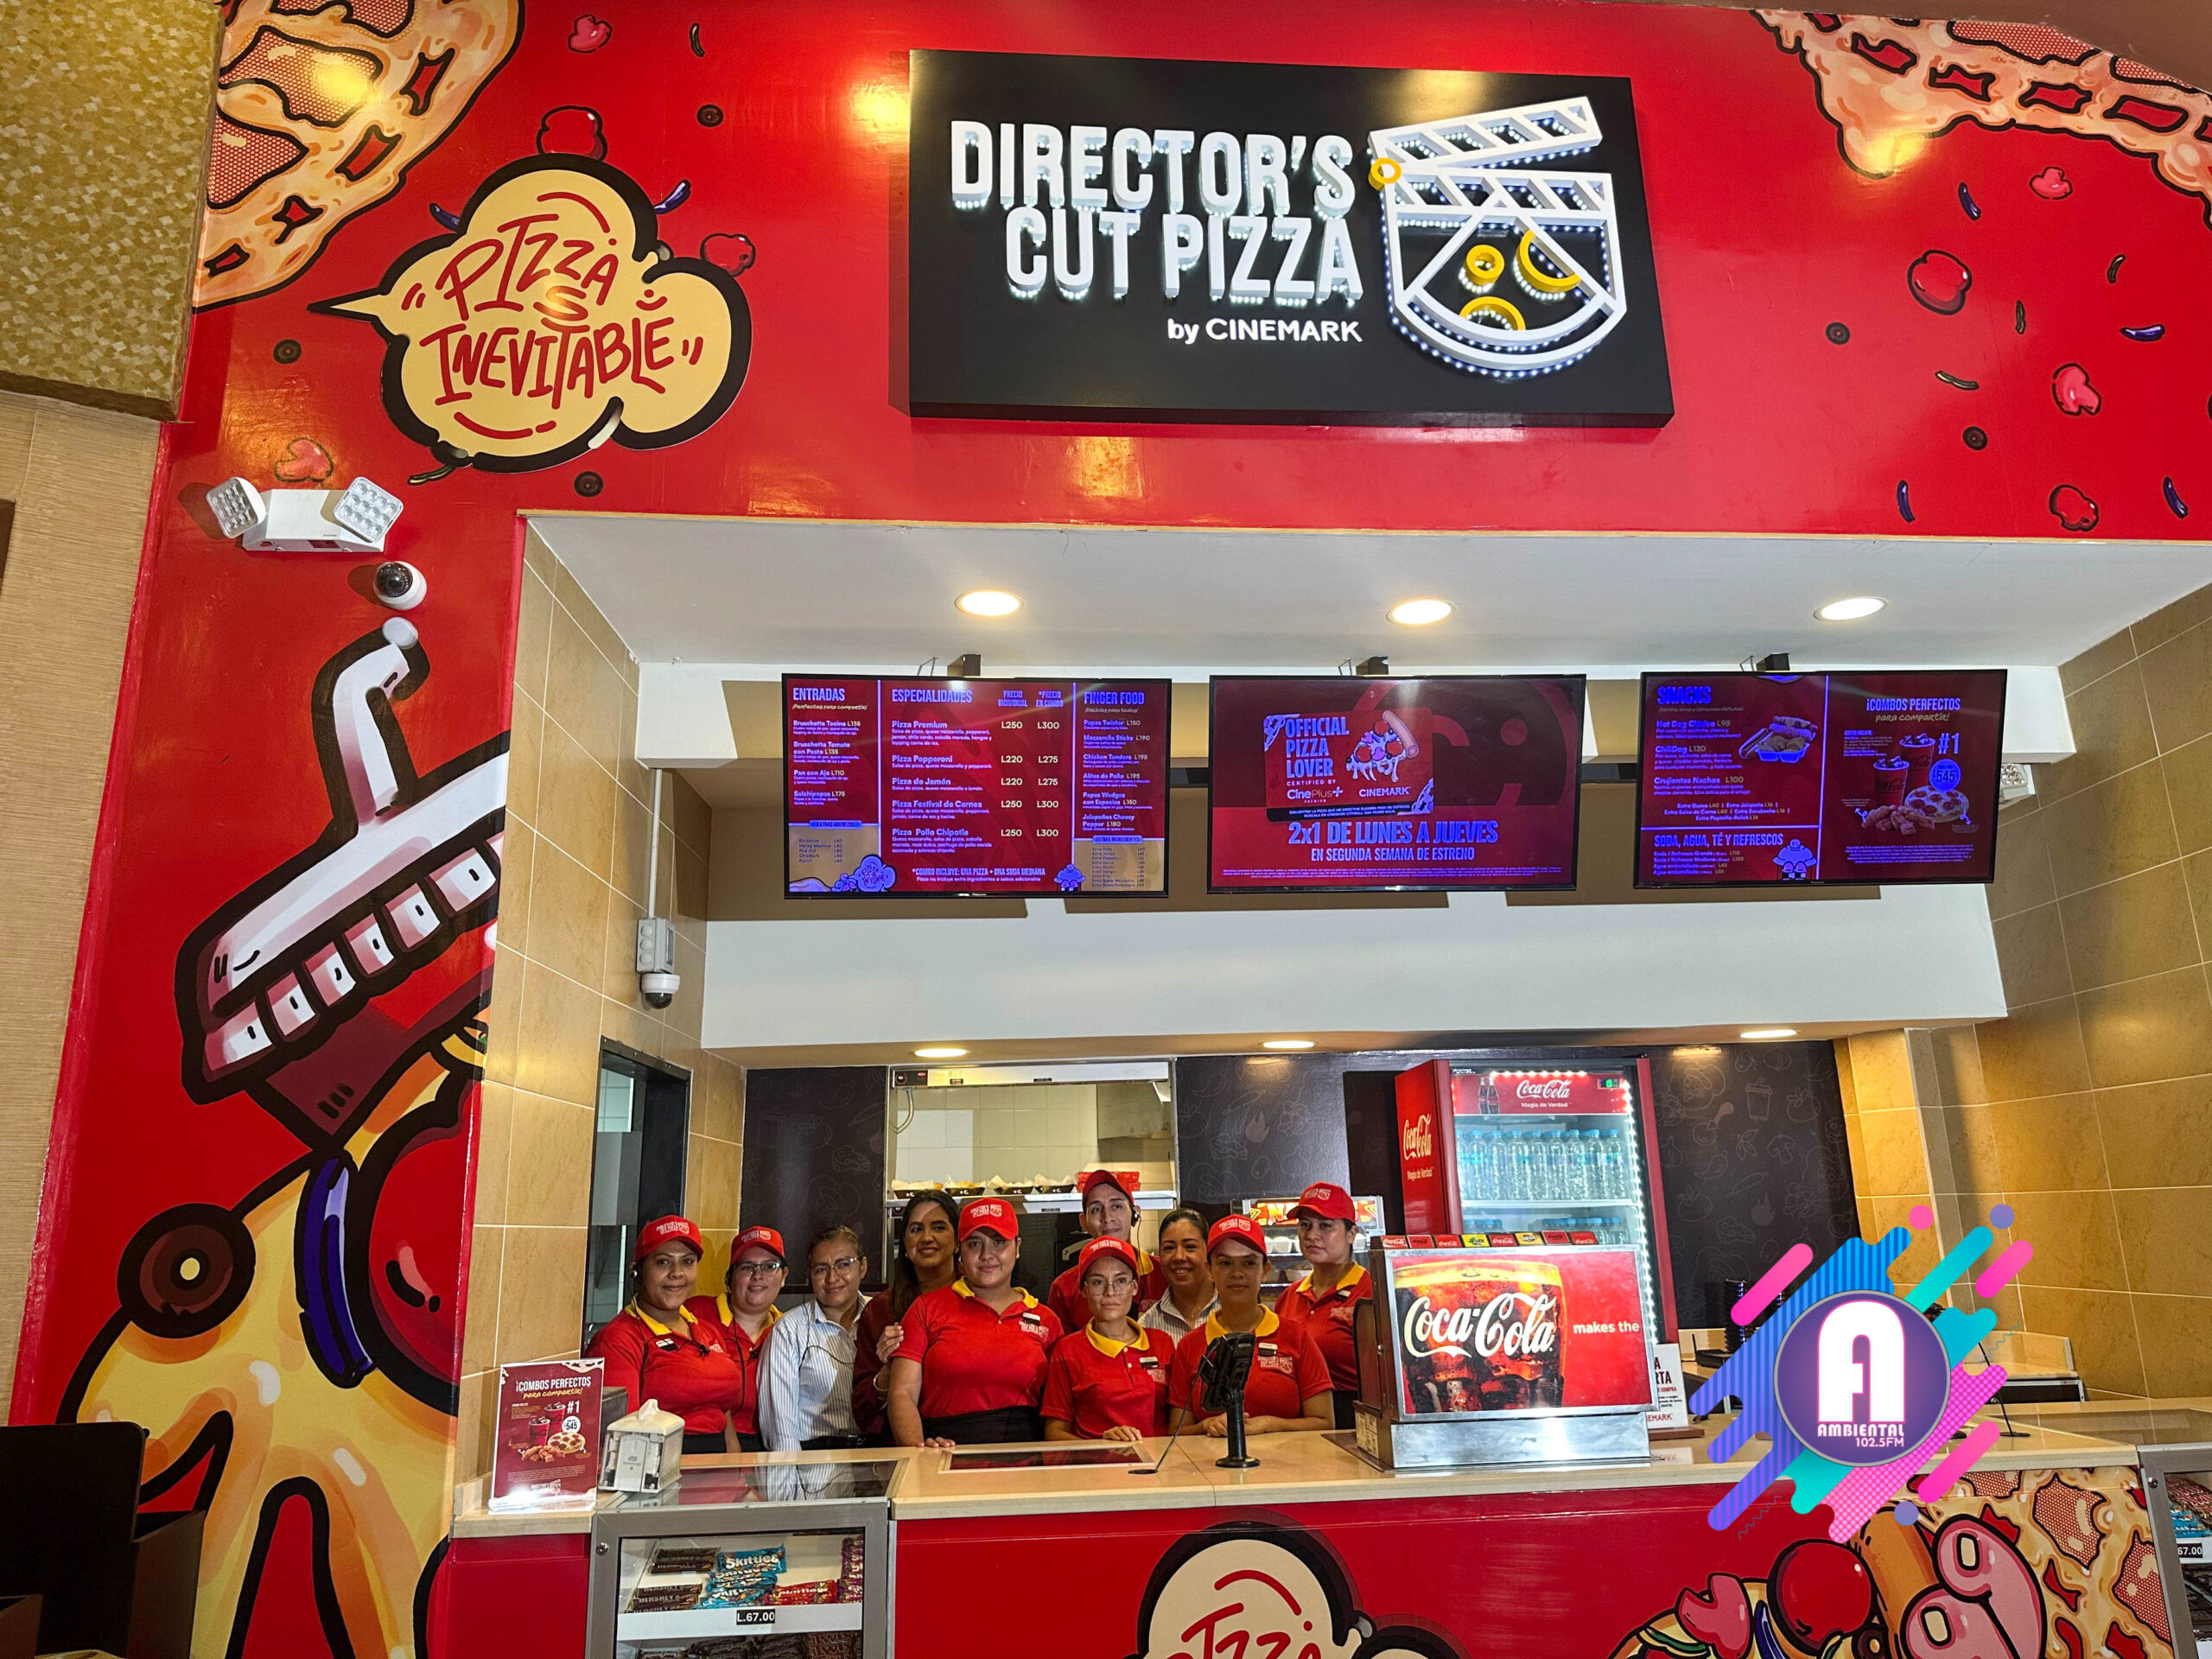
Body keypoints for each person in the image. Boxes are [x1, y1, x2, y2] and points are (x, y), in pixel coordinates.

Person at [887, 1197, 1063, 1446]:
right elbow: (902, 1393)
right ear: (959, 1249)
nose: (986, 1255)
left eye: (999, 1242)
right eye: (974, 1244)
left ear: (1017, 1247)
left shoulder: (1047, 1321)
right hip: (944, 1456)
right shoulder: (924, 1309)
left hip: (1025, 1459)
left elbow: (1060, 1410)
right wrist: (918, 1451)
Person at [585, 1215, 747, 1455]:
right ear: (638, 1271)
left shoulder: (706, 1330)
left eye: (687, 1262)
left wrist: (736, 1473)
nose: (677, 1273)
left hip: (716, 1471)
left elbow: (723, 1417)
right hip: (664, 1469)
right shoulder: (617, 1341)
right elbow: (620, 1442)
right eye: (663, 1262)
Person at [1167, 1216, 1332, 1439]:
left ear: (1265, 1270)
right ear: (1209, 1270)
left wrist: (1269, 1424)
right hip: (1213, 1461)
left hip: (1289, 1461)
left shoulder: (1297, 1337)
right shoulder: (1190, 1345)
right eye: (1225, 1263)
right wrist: (1207, 1425)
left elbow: (1325, 1422)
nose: (1237, 1273)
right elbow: (1177, 1433)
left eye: (1249, 1263)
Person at [1041, 1237, 1178, 1442]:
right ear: (1083, 1290)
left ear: (1134, 1287)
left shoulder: (1162, 1343)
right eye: (1098, 1282)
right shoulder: (1067, 1350)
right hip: (1094, 1463)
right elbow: (1054, 1433)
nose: (1110, 1292)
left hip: (1158, 1461)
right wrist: (1100, 1447)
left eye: (1121, 1281)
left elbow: (1179, 1424)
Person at [852, 1191, 960, 1440]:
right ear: (905, 1245)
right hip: (900, 1444)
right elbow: (862, 1412)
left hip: (969, 1439)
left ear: (958, 1241)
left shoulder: (979, 1299)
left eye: (939, 1227)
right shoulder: (880, 1310)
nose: (927, 1238)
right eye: (916, 1229)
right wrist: (888, 1371)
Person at [1271, 1182, 1374, 1428]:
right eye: (1305, 1225)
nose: (1311, 1235)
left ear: (1351, 1233)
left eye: (1325, 1226)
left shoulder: (1371, 1293)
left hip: (1353, 1426)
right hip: (1297, 1427)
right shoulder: (1289, 1296)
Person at [759, 1225, 867, 1451]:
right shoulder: (789, 1330)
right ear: (810, 1276)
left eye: (843, 1265)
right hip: (815, 1459)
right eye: (821, 1269)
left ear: (863, 1267)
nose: (832, 1278)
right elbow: (781, 1433)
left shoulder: (884, 1317)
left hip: (881, 1454)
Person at [684, 1224, 785, 1452]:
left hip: (774, 1446)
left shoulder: (791, 1330)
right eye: (747, 1267)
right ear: (729, 1278)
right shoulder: (695, 1315)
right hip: (710, 1444)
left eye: (769, 1266)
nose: (758, 1276)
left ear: (784, 1277)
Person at [1046, 1169, 1167, 1333]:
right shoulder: (1064, 1289)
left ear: (1135, 1214)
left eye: (1116, 1206)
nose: (1107, 1218)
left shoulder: (1165, 1274)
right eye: (1096, 1209)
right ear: (1084, 1222)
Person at [1139, 1207, 1218, 1343]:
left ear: (1208, 1251)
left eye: (1190, 1246)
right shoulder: (1147, 1327)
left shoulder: (1234, 1311)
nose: (1179, 1257)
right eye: (1169, 1248)